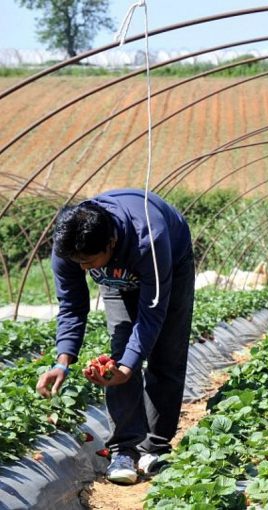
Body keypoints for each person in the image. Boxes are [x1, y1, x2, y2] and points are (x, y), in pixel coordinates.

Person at [36, 189, 195, 485]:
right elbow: (72, 305)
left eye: (88, 261)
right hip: (118, 273)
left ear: (110, 242)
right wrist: (63, 361)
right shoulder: (68, 246)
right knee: (120, 351)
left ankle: (155, 446)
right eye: (78, 262)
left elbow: (152, 311)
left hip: (170, 261)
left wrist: (129, 367)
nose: (83, 268)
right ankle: (125, 449)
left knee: (166, 352)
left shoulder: (150, 237)